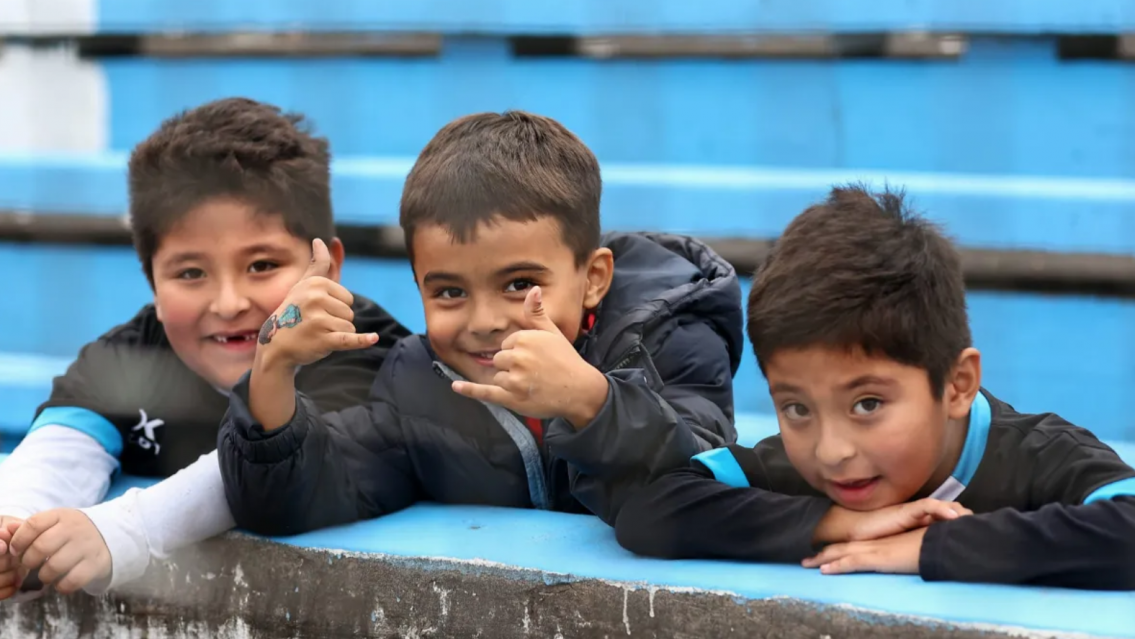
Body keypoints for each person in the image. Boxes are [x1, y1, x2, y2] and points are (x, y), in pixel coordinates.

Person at [216, 110, 744, 535]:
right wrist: (273, 370)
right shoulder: (416, 385)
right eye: (449, 292)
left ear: (594, 278)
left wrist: (591, 400)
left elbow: (714, 471)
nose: (485, 321)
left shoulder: (667, 340)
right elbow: (294, 504)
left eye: (518, 283)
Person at [615, 186, 1135, 590]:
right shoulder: (804, 473)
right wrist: (832, 522)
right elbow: (649, 505)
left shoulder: (1037, 454)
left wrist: (933, 545)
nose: (832, 450)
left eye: (867, 404)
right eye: (796, 408)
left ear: (956, 385)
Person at [0, 98, 410, 598]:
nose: (230, 302)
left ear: (328, 266)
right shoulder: (132, 352)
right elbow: (63, 445)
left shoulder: (371, 354)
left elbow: (276, 470)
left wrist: (123, 532)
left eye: (261, 265)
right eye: (190, 273)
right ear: (152, 282)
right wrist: (15, 528)